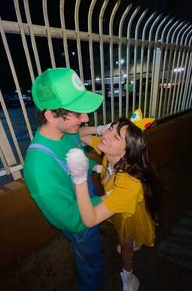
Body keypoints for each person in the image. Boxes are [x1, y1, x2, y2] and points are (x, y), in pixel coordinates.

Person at [23, 67, 104, 291]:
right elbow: (71, 219)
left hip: (89, 201)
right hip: (80, 221)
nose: (86, 117)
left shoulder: (66, 133)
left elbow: (78, 150)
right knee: (91, 260)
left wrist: (98, 168)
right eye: (77, 113)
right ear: (51, 115)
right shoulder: (39, 167)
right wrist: (113, 199)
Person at [66, 109, 161, 291]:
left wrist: (78, 178)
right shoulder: (107, 148)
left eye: (117, 136)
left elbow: (90, 219)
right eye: (111, 128)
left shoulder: (129, 185)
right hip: (116, 206)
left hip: (129, 215)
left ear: (126, 152)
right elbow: (77, 133)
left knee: (125, 245)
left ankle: (128, 276)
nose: (107, 135)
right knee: (124, 236)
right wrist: (100, 129)